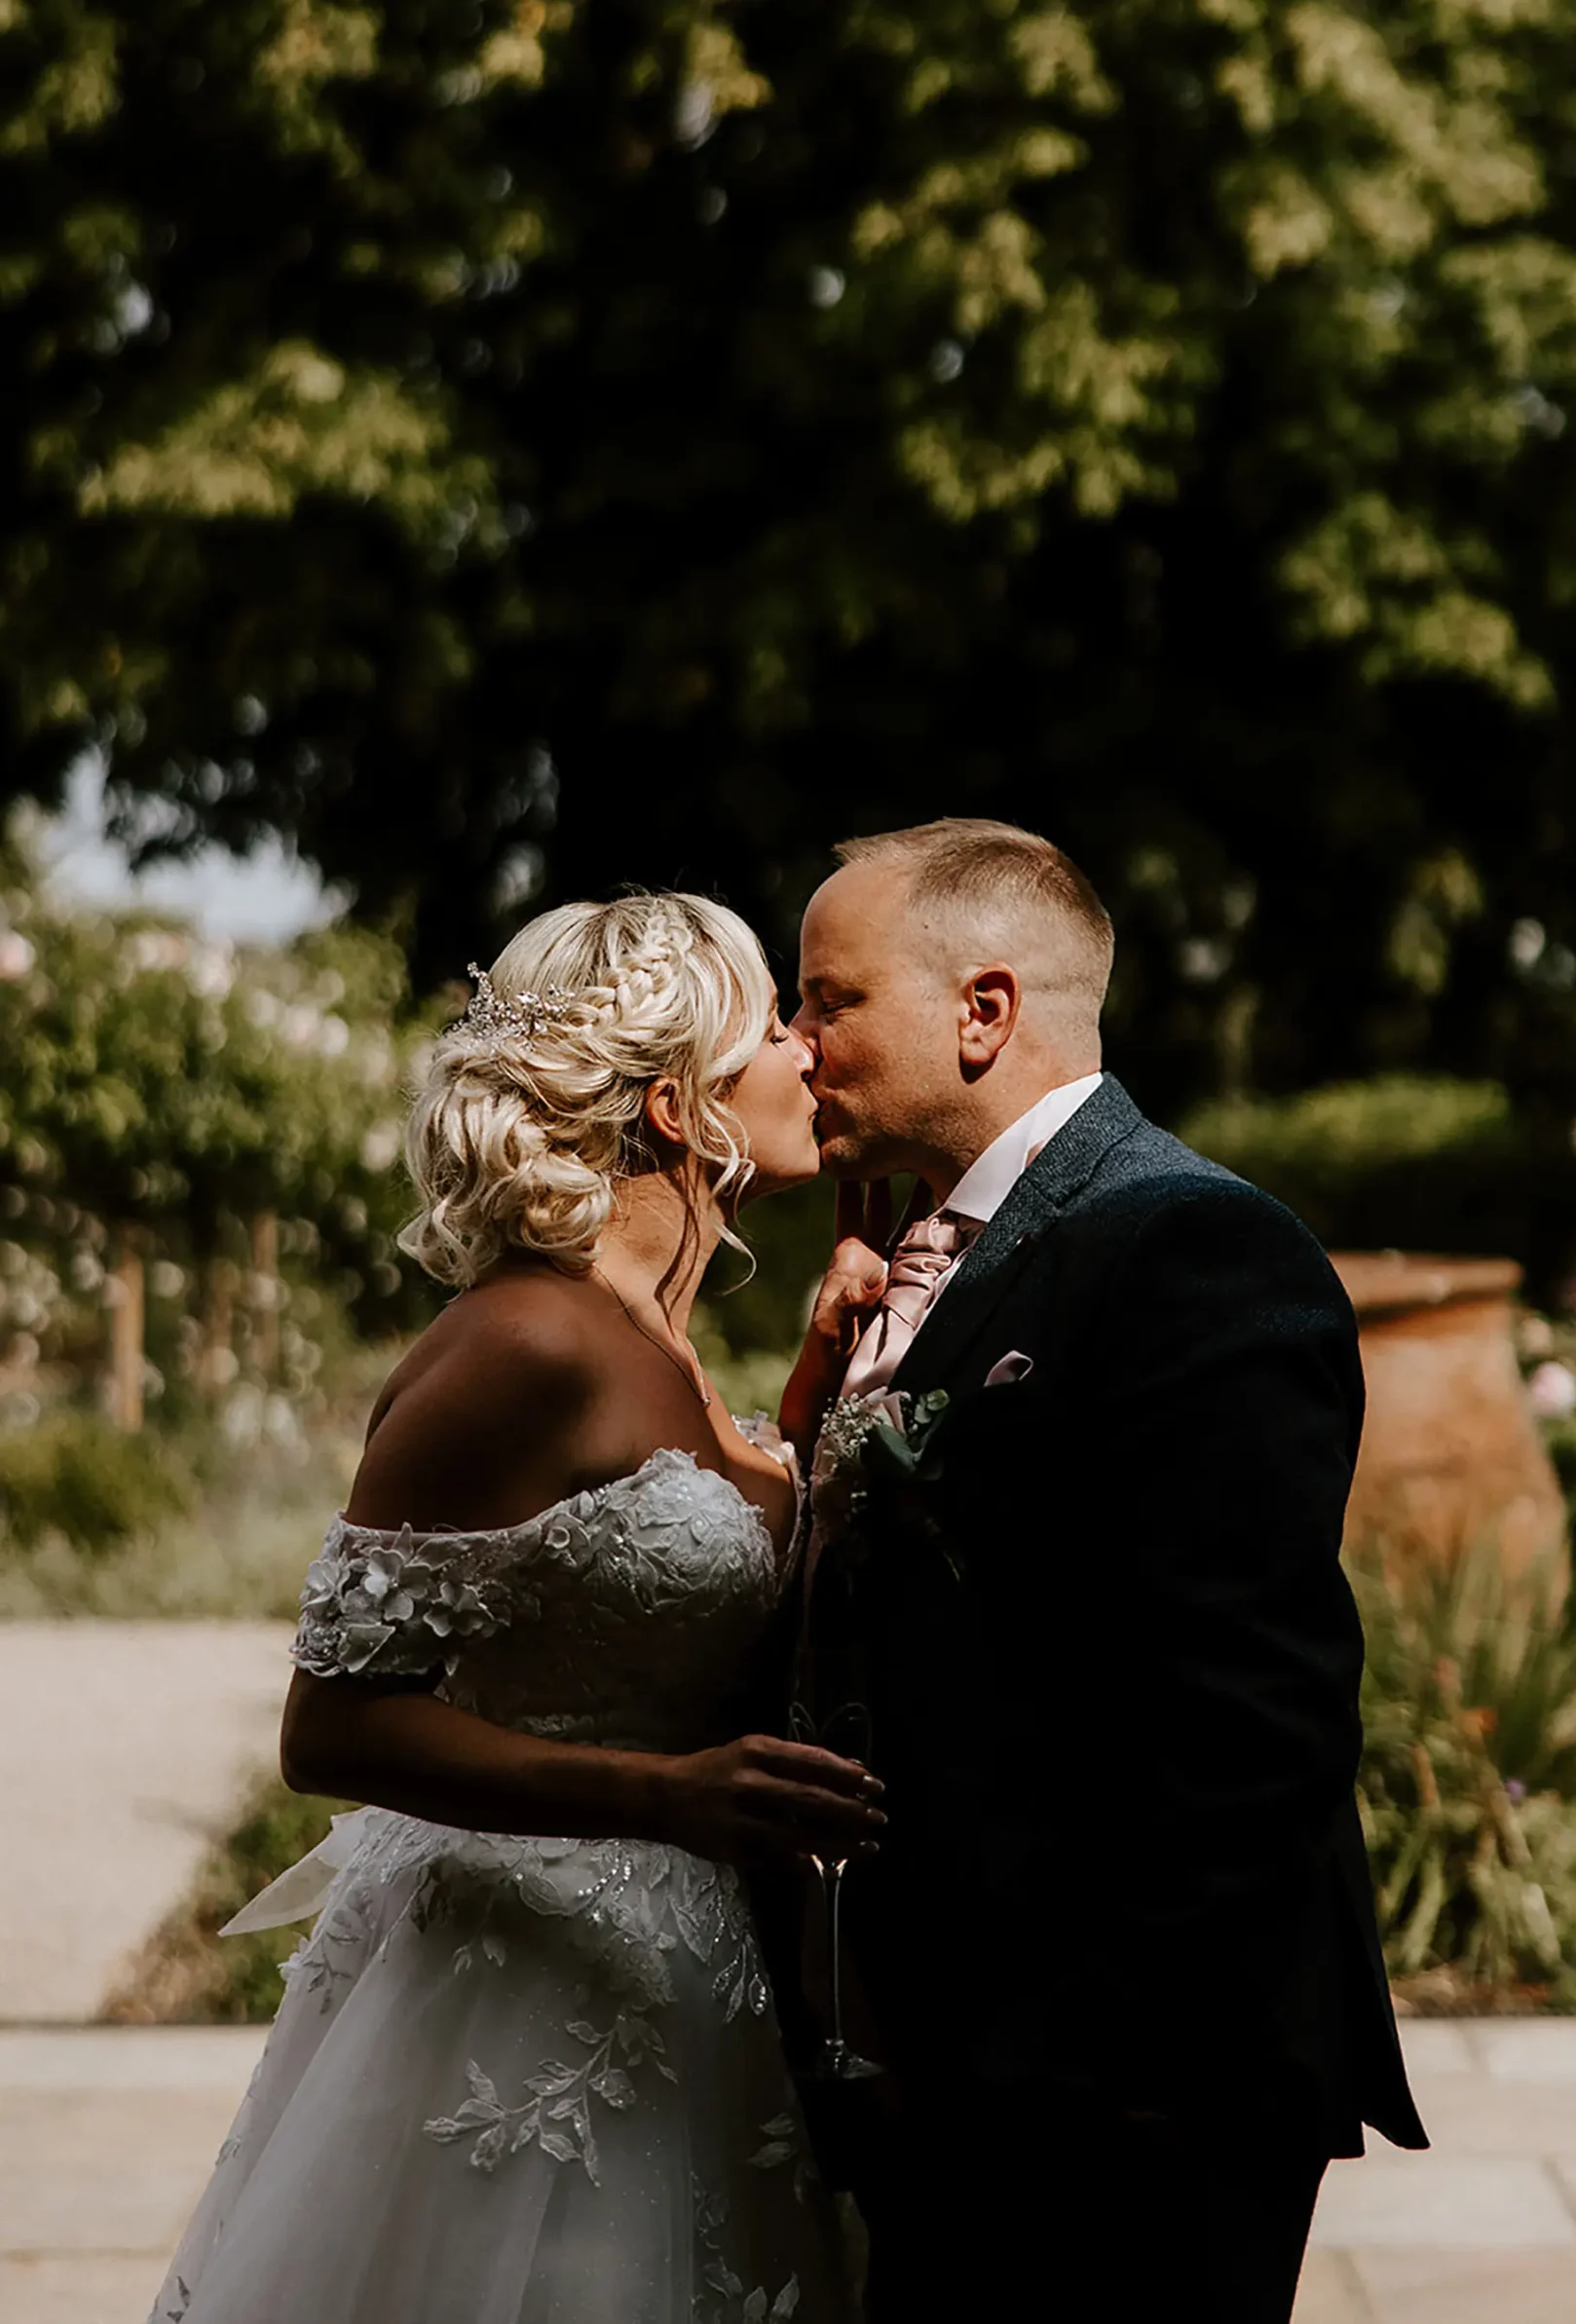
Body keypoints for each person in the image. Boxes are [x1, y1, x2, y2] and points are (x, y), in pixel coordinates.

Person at [148, 892, 877, 2324]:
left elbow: (662, 1576)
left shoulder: (652, 1333)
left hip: (685, 1974)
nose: (808, 1049)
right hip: (528, 1982)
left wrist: (801, 1414)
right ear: (676, 1109)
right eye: (772, 1027)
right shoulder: (523, 1339)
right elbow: (333, 1730)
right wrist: (661, 1795)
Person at [775, 818, 1428, 2324]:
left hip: (1121, 2096)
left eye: (829, 999)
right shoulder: (919, 1250)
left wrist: (1115, 2086)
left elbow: (1247, 1719)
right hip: (960, 2066)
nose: (794, 1040)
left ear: (982, 1011)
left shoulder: (1185, 1243)